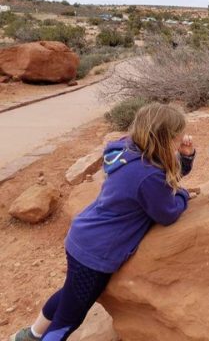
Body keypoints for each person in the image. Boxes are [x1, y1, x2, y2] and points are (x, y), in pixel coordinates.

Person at [10, 103, 196, 341]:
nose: (181, 141)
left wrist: (185, 158)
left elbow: (161, 177)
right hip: (96, 254)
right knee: (70, 317)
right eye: (177, 138)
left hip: (83, 236)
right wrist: (182, 194)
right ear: (163, 139)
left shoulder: (128, 150)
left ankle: (31, 335)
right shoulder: (148, 175)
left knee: (70, 293)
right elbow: (167, 213)